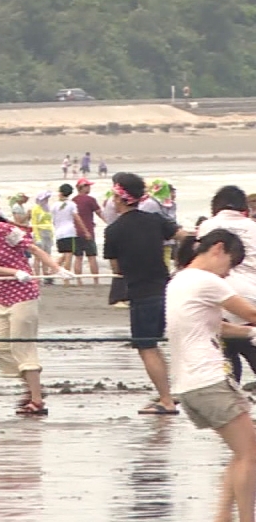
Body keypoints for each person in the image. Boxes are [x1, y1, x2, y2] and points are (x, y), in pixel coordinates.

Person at [169, 229, 256, 522]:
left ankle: (224, 519)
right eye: (230, 266)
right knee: (250, 453)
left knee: (244, 450)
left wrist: (248, 335)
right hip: (207, 379)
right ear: (218, 249)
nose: (228, 274)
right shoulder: (207, 281)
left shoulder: (180, 280)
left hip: (190, 382)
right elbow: (251, 313)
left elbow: (216, 326)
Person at [0, 191, 70, 416]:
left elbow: (34, 249)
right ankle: (33, 386)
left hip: (23, 294)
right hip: (1, 296)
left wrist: (57, 268)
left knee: (22, 346)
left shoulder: (5, 230)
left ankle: (36, 401)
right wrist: (14, 271)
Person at [102, 172, 187, 415]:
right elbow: (183, 236)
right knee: (159, 344)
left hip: (142, 293)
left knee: (147, 346)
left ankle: (166, 400)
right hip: (168, 289)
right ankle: (168, 393)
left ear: (120, 199)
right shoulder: (155, 220)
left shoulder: (114, 231)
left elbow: (117, 268)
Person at [196, 186, 256, 383]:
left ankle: (233, 399)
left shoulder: (207, 226)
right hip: (250, 297)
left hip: (219, 295)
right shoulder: (253, 227)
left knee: (226, 359)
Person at [71, 177, 103, 284]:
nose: (90, 187)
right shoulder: (90, 200)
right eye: (88, 186)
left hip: (75, 233)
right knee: (92, 257)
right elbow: (100, 213)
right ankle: (96, 281)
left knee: (78, 257)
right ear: (83, 187)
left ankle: (79, 281)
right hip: (88, 232)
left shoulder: (73, 201)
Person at [51, 184, 80, 284]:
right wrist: (84, 230)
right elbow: (76, 218)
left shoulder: (54, 205)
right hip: (69, 232)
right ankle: (66, 279)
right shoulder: (72, 204)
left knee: (64, 255)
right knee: (68, 256)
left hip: (59, 233)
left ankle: (51, 271)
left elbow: (53, 220)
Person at [30, 191, 55, 279]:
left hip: (48, 233)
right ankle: (37, 277)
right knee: (38, 256)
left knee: (47, 256)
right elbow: (34, 223)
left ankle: (46, 274)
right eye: (45, 199)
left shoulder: (47, 208)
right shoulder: (36, 209)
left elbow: (50, 221)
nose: (47, 200)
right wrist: (37, 237)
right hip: (40, 232)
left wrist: (52, 235)